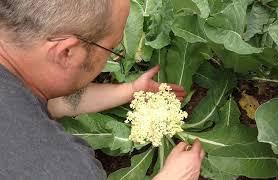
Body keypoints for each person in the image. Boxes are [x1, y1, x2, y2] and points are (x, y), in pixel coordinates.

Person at [0, 0, 205, 180]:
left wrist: (131, 90)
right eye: (111, 49)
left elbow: (50, 103)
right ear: (67, 52)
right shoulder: (63, 169)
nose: (114, 56)